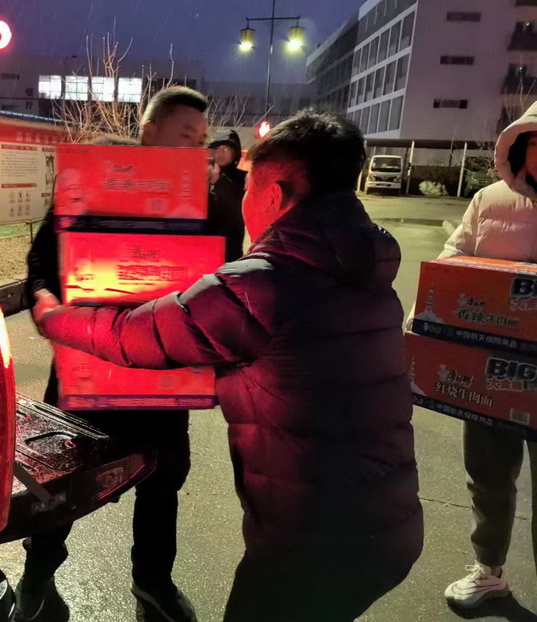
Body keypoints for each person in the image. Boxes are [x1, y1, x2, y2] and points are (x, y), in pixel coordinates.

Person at [34, 111, 423, 622]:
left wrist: (52, 317)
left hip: (310, 542)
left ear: (274, 195)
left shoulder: (263, 282)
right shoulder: (367, 268)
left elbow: (137, 336)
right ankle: (43, 579)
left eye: (249, 186)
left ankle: (150, 583)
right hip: (386, 525)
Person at [19, 86, 209, 622]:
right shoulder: (95, 178)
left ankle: (153, 583)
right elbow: (41, 261)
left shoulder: (201, 202)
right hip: (87, 371)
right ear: (150, 133)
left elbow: (221, 277)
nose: (194, 149)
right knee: (60, 486)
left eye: (201, 141)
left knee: (162, 483)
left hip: (162, 377)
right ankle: (37, 580)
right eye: (185, 135)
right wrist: (43, 299)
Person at [440, 104, 537, 609]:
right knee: (488, 476)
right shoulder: (489, 200)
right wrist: (424, 326)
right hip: (491, 369)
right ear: (520, 147)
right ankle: (488, 571)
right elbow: (451, 262)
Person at [208, 129, 247, 262]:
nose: (220, 153)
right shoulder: (201, 175)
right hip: (204, 245)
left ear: (235, 153)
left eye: (226, 149)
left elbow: (235, 208)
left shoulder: (243, 178)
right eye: (217, 149)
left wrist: (218, 182)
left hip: (230, 249)